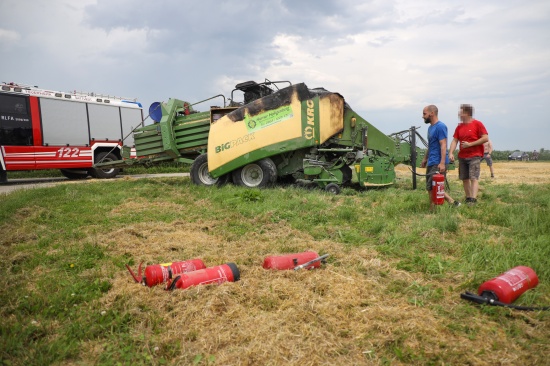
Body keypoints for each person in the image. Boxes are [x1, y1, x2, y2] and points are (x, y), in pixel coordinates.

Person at [420, 105, 461, 208]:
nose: (423, 116)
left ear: (432, 113)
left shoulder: (440, 126)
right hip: (431, 161)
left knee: (434, 186)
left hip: (438, 162)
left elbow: (443, 144)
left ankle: (433, 209)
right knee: (431, 187)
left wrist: (442, 162)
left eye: (424, 114)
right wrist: (425, 158)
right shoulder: (430, 128)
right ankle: (452, 203)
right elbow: (431, 145)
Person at [449, 104, 489, 205]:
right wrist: (451, 153)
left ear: (467, 113)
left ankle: (473, 199)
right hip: (462, 156)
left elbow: (485, 138)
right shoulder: (459, 127)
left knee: (473, 178)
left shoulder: (478, 124)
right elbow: (455, 140)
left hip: (474, 156)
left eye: (461, 112)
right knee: (465, 178)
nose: (459, 114)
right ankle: (468, 198)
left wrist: (470, 144)